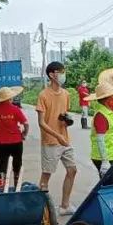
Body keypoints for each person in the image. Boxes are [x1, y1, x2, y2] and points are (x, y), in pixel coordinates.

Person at [36, 61, 78, 215]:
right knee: (46, 174)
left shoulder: (66, 94)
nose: (63, 75)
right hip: (50, 141)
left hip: (64, 140)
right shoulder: (43, 95)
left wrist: (67, 120)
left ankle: (65, 205)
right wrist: (57, 135)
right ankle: (40, 208)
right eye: (61, 72)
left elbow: (64, 114)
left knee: (72, 170)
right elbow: (41, 123)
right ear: (52, 75)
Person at [0, 85, 27, 186]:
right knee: (17, 165)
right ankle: (17, 185)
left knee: (2, 166)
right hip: (16, 142)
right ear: (10, 98)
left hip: (1, 143)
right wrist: (24, 134)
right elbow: (25, 123)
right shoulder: (15, 109)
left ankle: (1, 187)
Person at [86, 81, 113, 180]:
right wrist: (105, 161)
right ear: (108, 100)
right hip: (105, 158)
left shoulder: (109, 112)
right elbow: (100, 140)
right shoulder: (101, 116)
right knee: (110, 188)